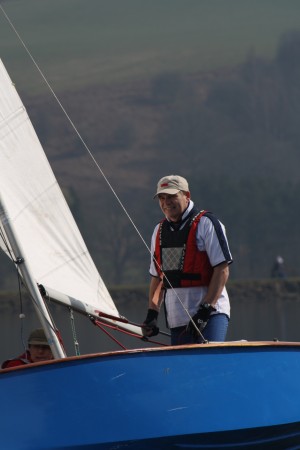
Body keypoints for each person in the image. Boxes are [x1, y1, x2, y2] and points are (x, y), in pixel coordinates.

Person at [143, 175, 233, 345]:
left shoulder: (207, 223)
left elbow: (222, 270)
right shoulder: (158, 231)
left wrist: (206, 310)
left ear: (187, 195)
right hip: (178, 318)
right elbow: (157, 278)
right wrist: (152, 314)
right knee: (184, 368)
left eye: (171, 196)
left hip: (211, 313)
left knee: (207, 361)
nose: (166, 202)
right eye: (162, 198)